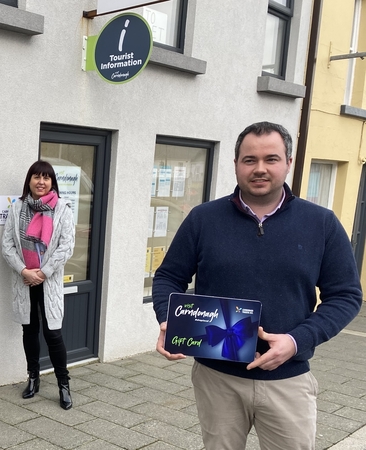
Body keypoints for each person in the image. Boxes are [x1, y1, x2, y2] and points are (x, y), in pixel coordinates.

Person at [152, 122, 363, 449]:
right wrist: (169, 318)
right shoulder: (203, 219)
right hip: (216, 379)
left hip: (288, 381)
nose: (260, 168)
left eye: (271, 159)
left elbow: (346, 296)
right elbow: (168, 277)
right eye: (249, 160)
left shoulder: (321, 224)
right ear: (236, 164)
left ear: (288, 163)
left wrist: (296, 340)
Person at [2, 160, 76, 410]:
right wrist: (24, 270)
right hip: (25, 281)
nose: (41, 182)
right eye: (36, 177)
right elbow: (7, 246)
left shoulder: (63, 210)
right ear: (29, 180)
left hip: (48, 281)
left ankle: (63, 385)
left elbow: (66, 248)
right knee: (29, 332)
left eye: (46, 178)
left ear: (52, 182)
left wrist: (42, 273)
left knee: (53, 334)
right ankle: (33, 377)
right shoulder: (17, 208)